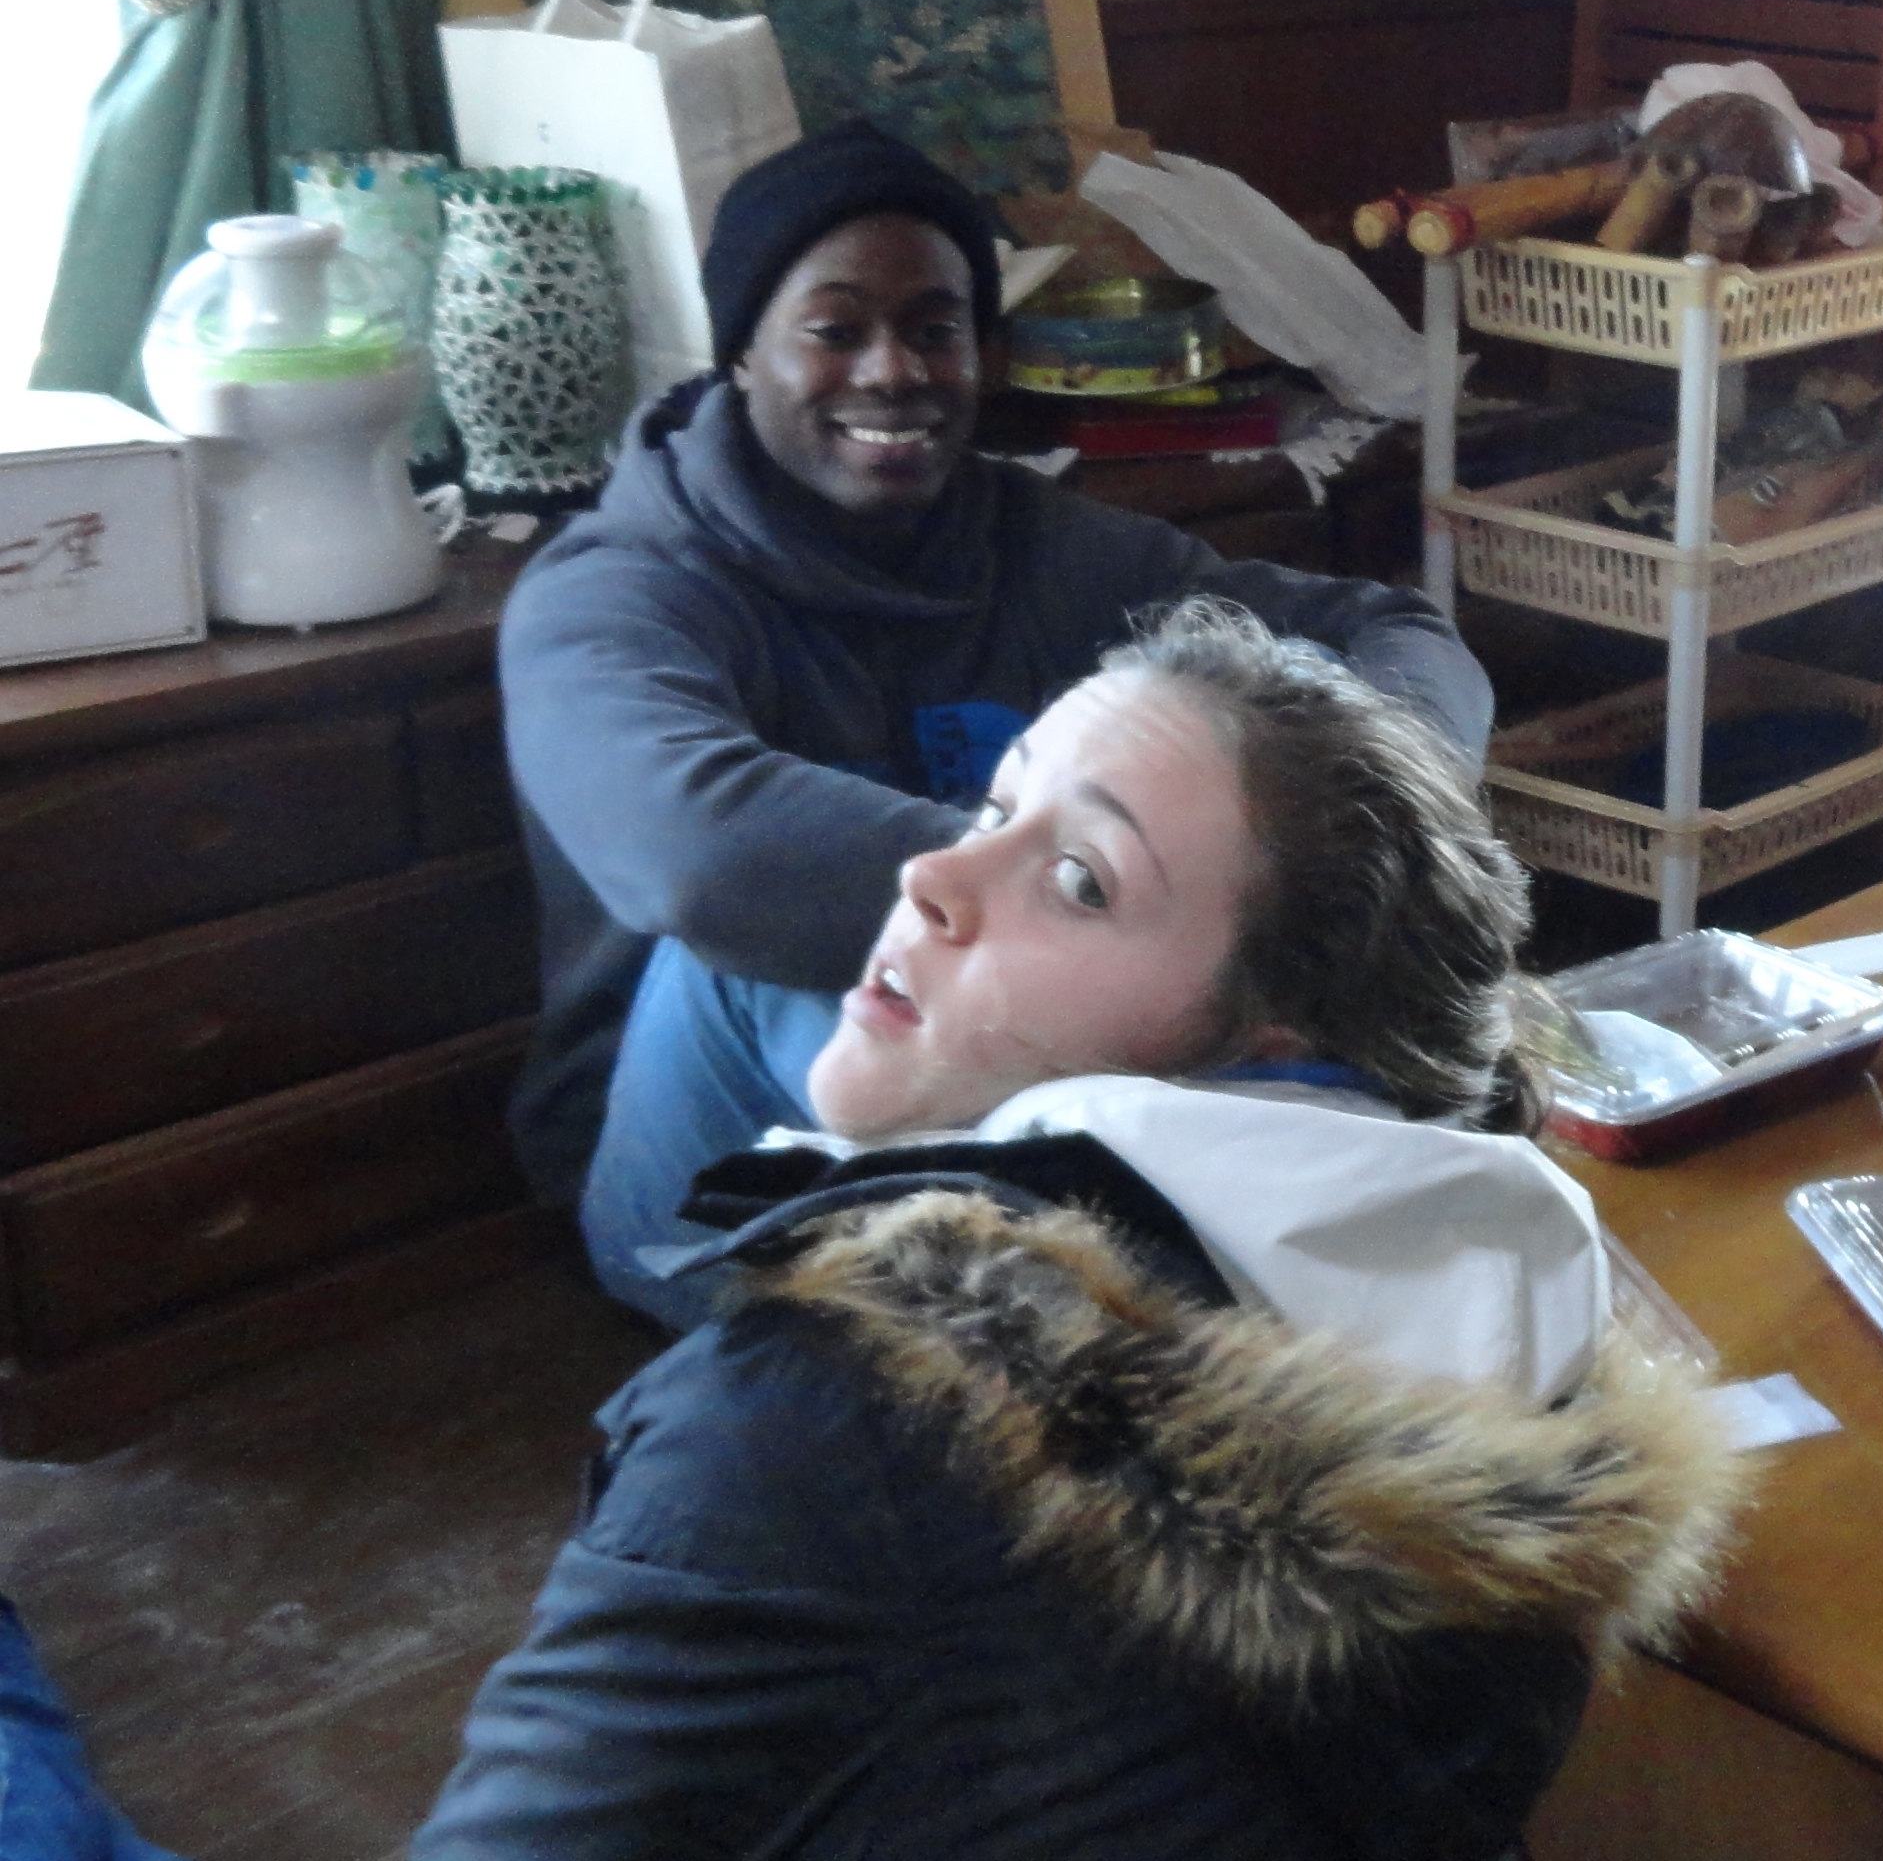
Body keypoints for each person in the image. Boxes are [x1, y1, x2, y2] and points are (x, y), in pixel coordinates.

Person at [5, 603, 1738, 1861]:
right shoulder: (1488, 1380)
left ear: (1274, 1052)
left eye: (1080, 880)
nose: (933, 875)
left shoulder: (868, 1428)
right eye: (993, 803)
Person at [497, 119, 1493, 1319]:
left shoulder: (1032, 542)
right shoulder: (607, 596)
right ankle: (1174, 1321)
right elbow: (699, 855)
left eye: (936, 329)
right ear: (743, 355)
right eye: (834, 330)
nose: (892, 371)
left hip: (1035, 1087)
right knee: (800, 954)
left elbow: (1391, 634)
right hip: (691, 1170)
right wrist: (1085, 897)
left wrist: (1369, 827)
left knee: (1268, 827)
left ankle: (1346, 1287)